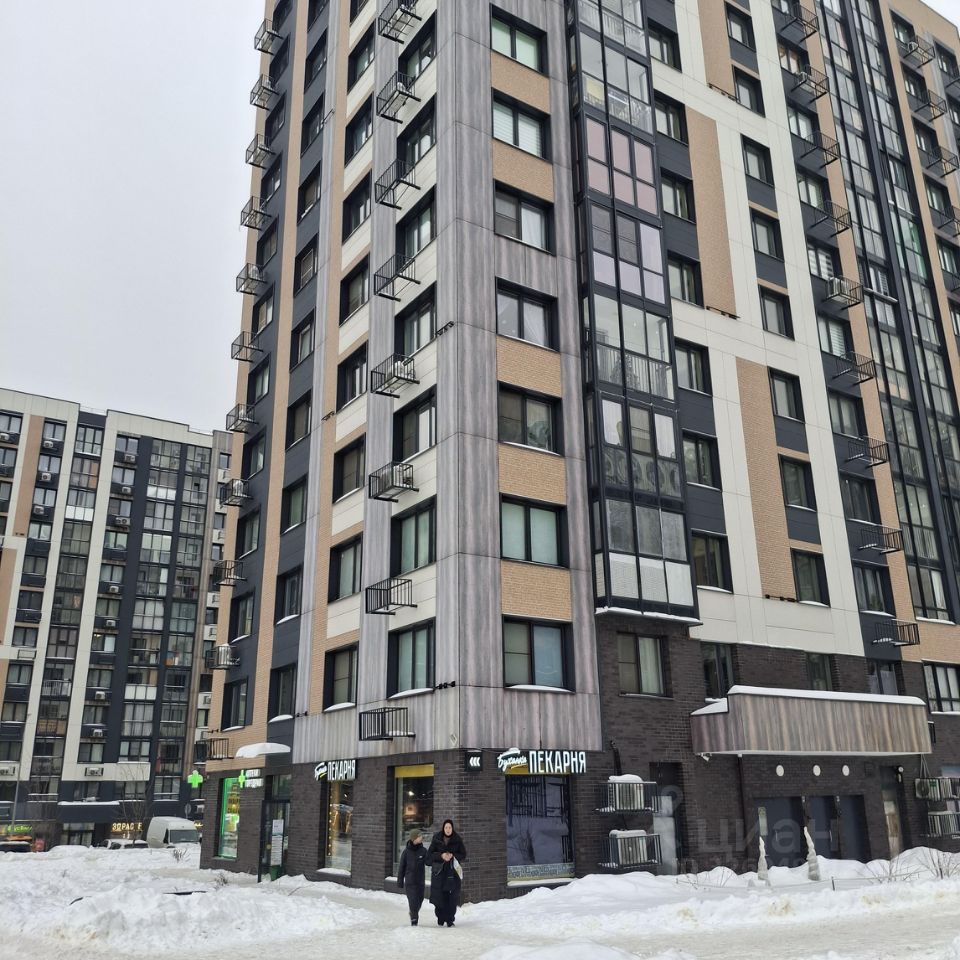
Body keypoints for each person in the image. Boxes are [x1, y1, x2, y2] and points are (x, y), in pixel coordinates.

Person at [427, 819, 467, 927]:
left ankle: (450, 919)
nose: (448, 829)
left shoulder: (457, 839)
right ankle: (440, 917)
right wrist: (441, 855)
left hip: (452, 873)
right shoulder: (437, 838)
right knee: (440, 897)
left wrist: (453, 855)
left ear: (452, 828)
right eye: (446, 827)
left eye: (450, 827)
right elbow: (429, 856)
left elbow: (463, 854)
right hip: (440, 873)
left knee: (452, 897)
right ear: (443, 828)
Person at [396, 828, 428, 926]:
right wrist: (400, 881)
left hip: (420, 881)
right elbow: (401, 867)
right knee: (413, 901)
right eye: (419, 836)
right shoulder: (406, 852)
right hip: (410, 882)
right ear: (414, 838)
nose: (421, 837)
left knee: (420, 900)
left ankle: (413, 912)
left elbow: (429, 861)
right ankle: (414, 920)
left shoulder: (423, 851)